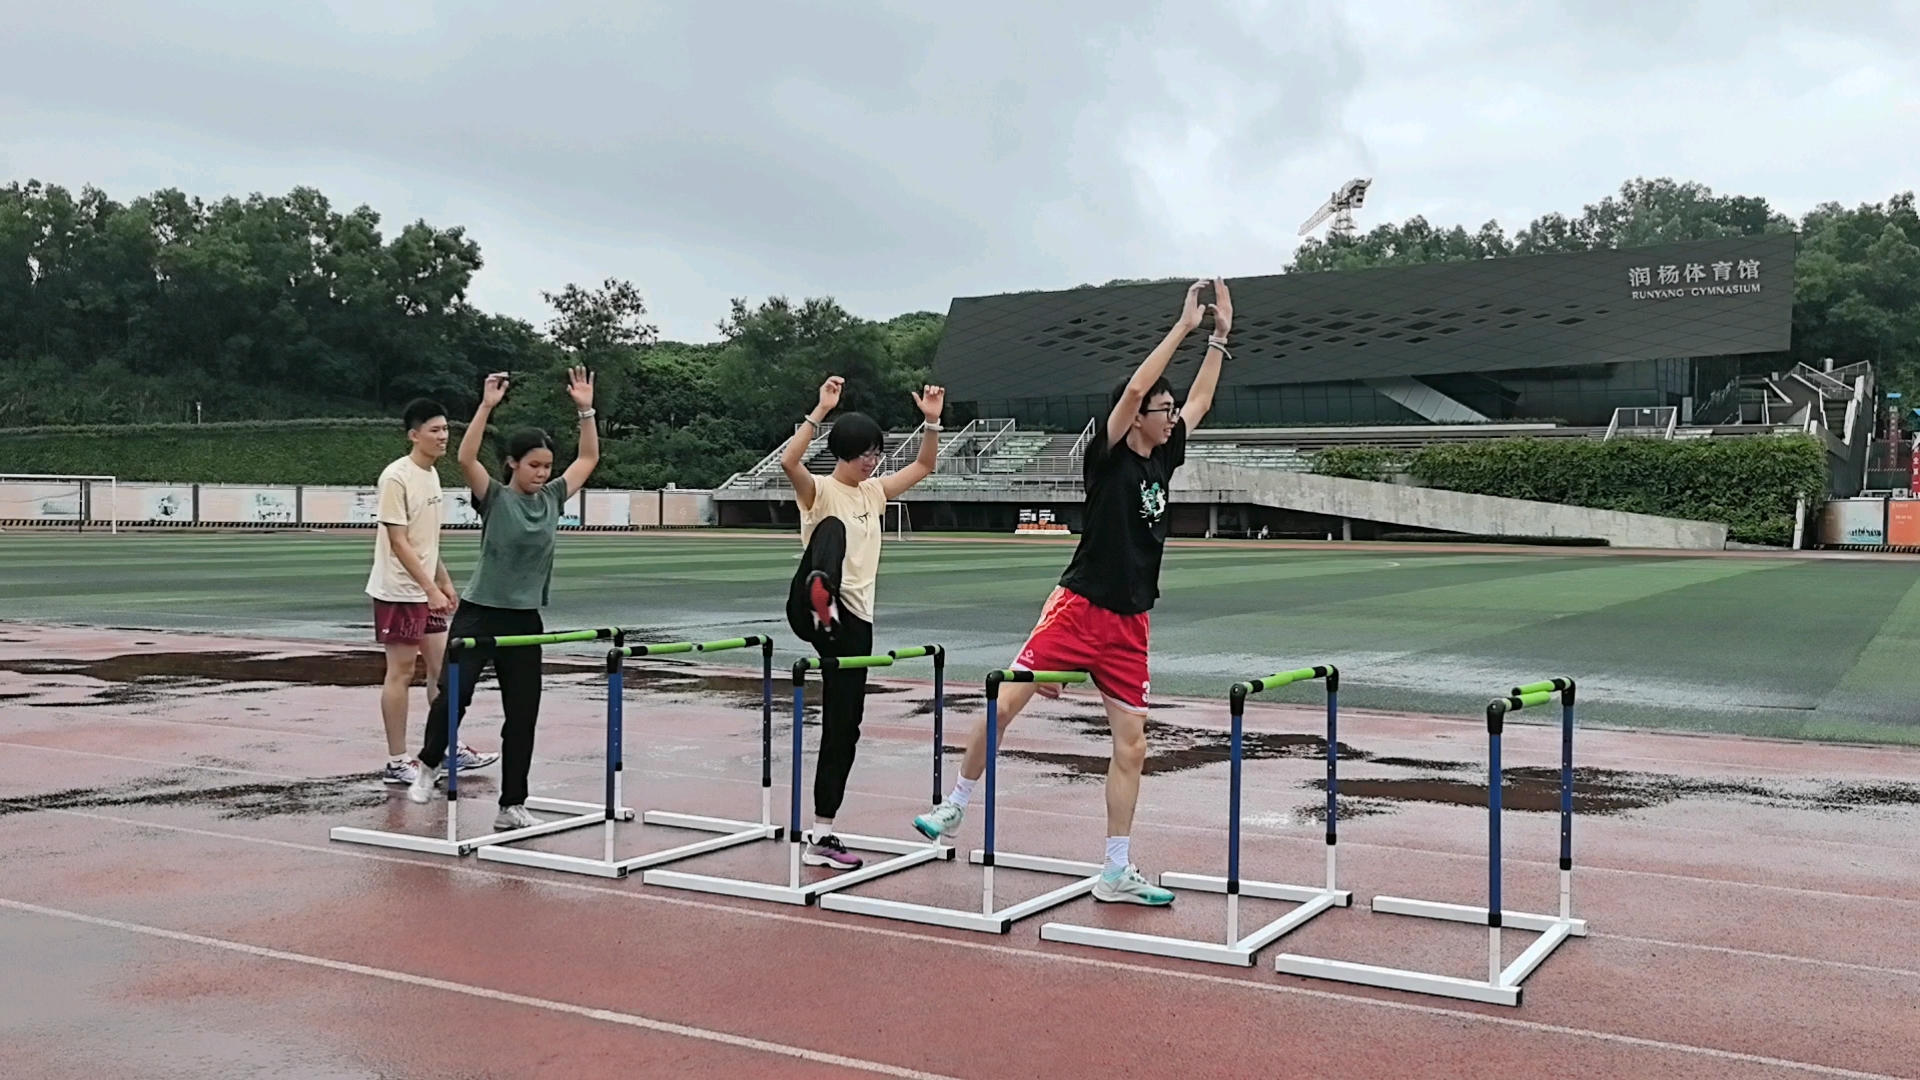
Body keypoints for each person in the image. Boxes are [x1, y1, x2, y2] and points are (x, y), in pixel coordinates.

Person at [913, 278, 1232, 905]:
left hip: (1130, 622)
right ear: (1138, 417)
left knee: (1133, 746)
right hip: (1079, 607)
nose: (1173, 418)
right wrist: (1184, 328)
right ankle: (955, 803)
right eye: (1162, 411)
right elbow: (1137, 390)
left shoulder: (1164, 455)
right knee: (1005, 701)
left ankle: (1115, 870)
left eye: (1171, 412)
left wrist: (1220, 340)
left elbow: (1198, 400)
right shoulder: (1108, 454)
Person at [409, 366, 600, 831]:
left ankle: (511, 805)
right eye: (534, 465)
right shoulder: (494, 496)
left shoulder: (552, 497)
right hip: (479, 614)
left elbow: (589, 458)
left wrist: (585, 410)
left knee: (523, 715)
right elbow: (466, 457)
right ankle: (429, 765)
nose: (542, 473)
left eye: (547, 467)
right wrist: (486, 406)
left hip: (524, 621)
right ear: (513, 463)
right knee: (455, 696)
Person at [781, 375, 946, 870]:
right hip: (819, 610)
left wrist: (932, 422)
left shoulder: (874, 494)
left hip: (857, 623)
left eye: (876, 454)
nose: (872, 463)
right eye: (864, 455)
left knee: (844, 726)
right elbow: (790, 462)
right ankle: (821, 597)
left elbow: (924, 465)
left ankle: (822, 833)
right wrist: (820, 410)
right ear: (843, 455)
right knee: (830, 528)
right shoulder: (820, 491)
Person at [364, 399, 499, 786]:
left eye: (445, 429)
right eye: (435, 430)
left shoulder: (432, 474)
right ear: (414, 435)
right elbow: (399, 542)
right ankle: (397, 761)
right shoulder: (396, 477)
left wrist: (444, 582)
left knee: (444, 672)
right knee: (402, 672)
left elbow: (427, 542)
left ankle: (447, 746)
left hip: (425, 591)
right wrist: (428, 588)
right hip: (398, 591)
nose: (443, 437)